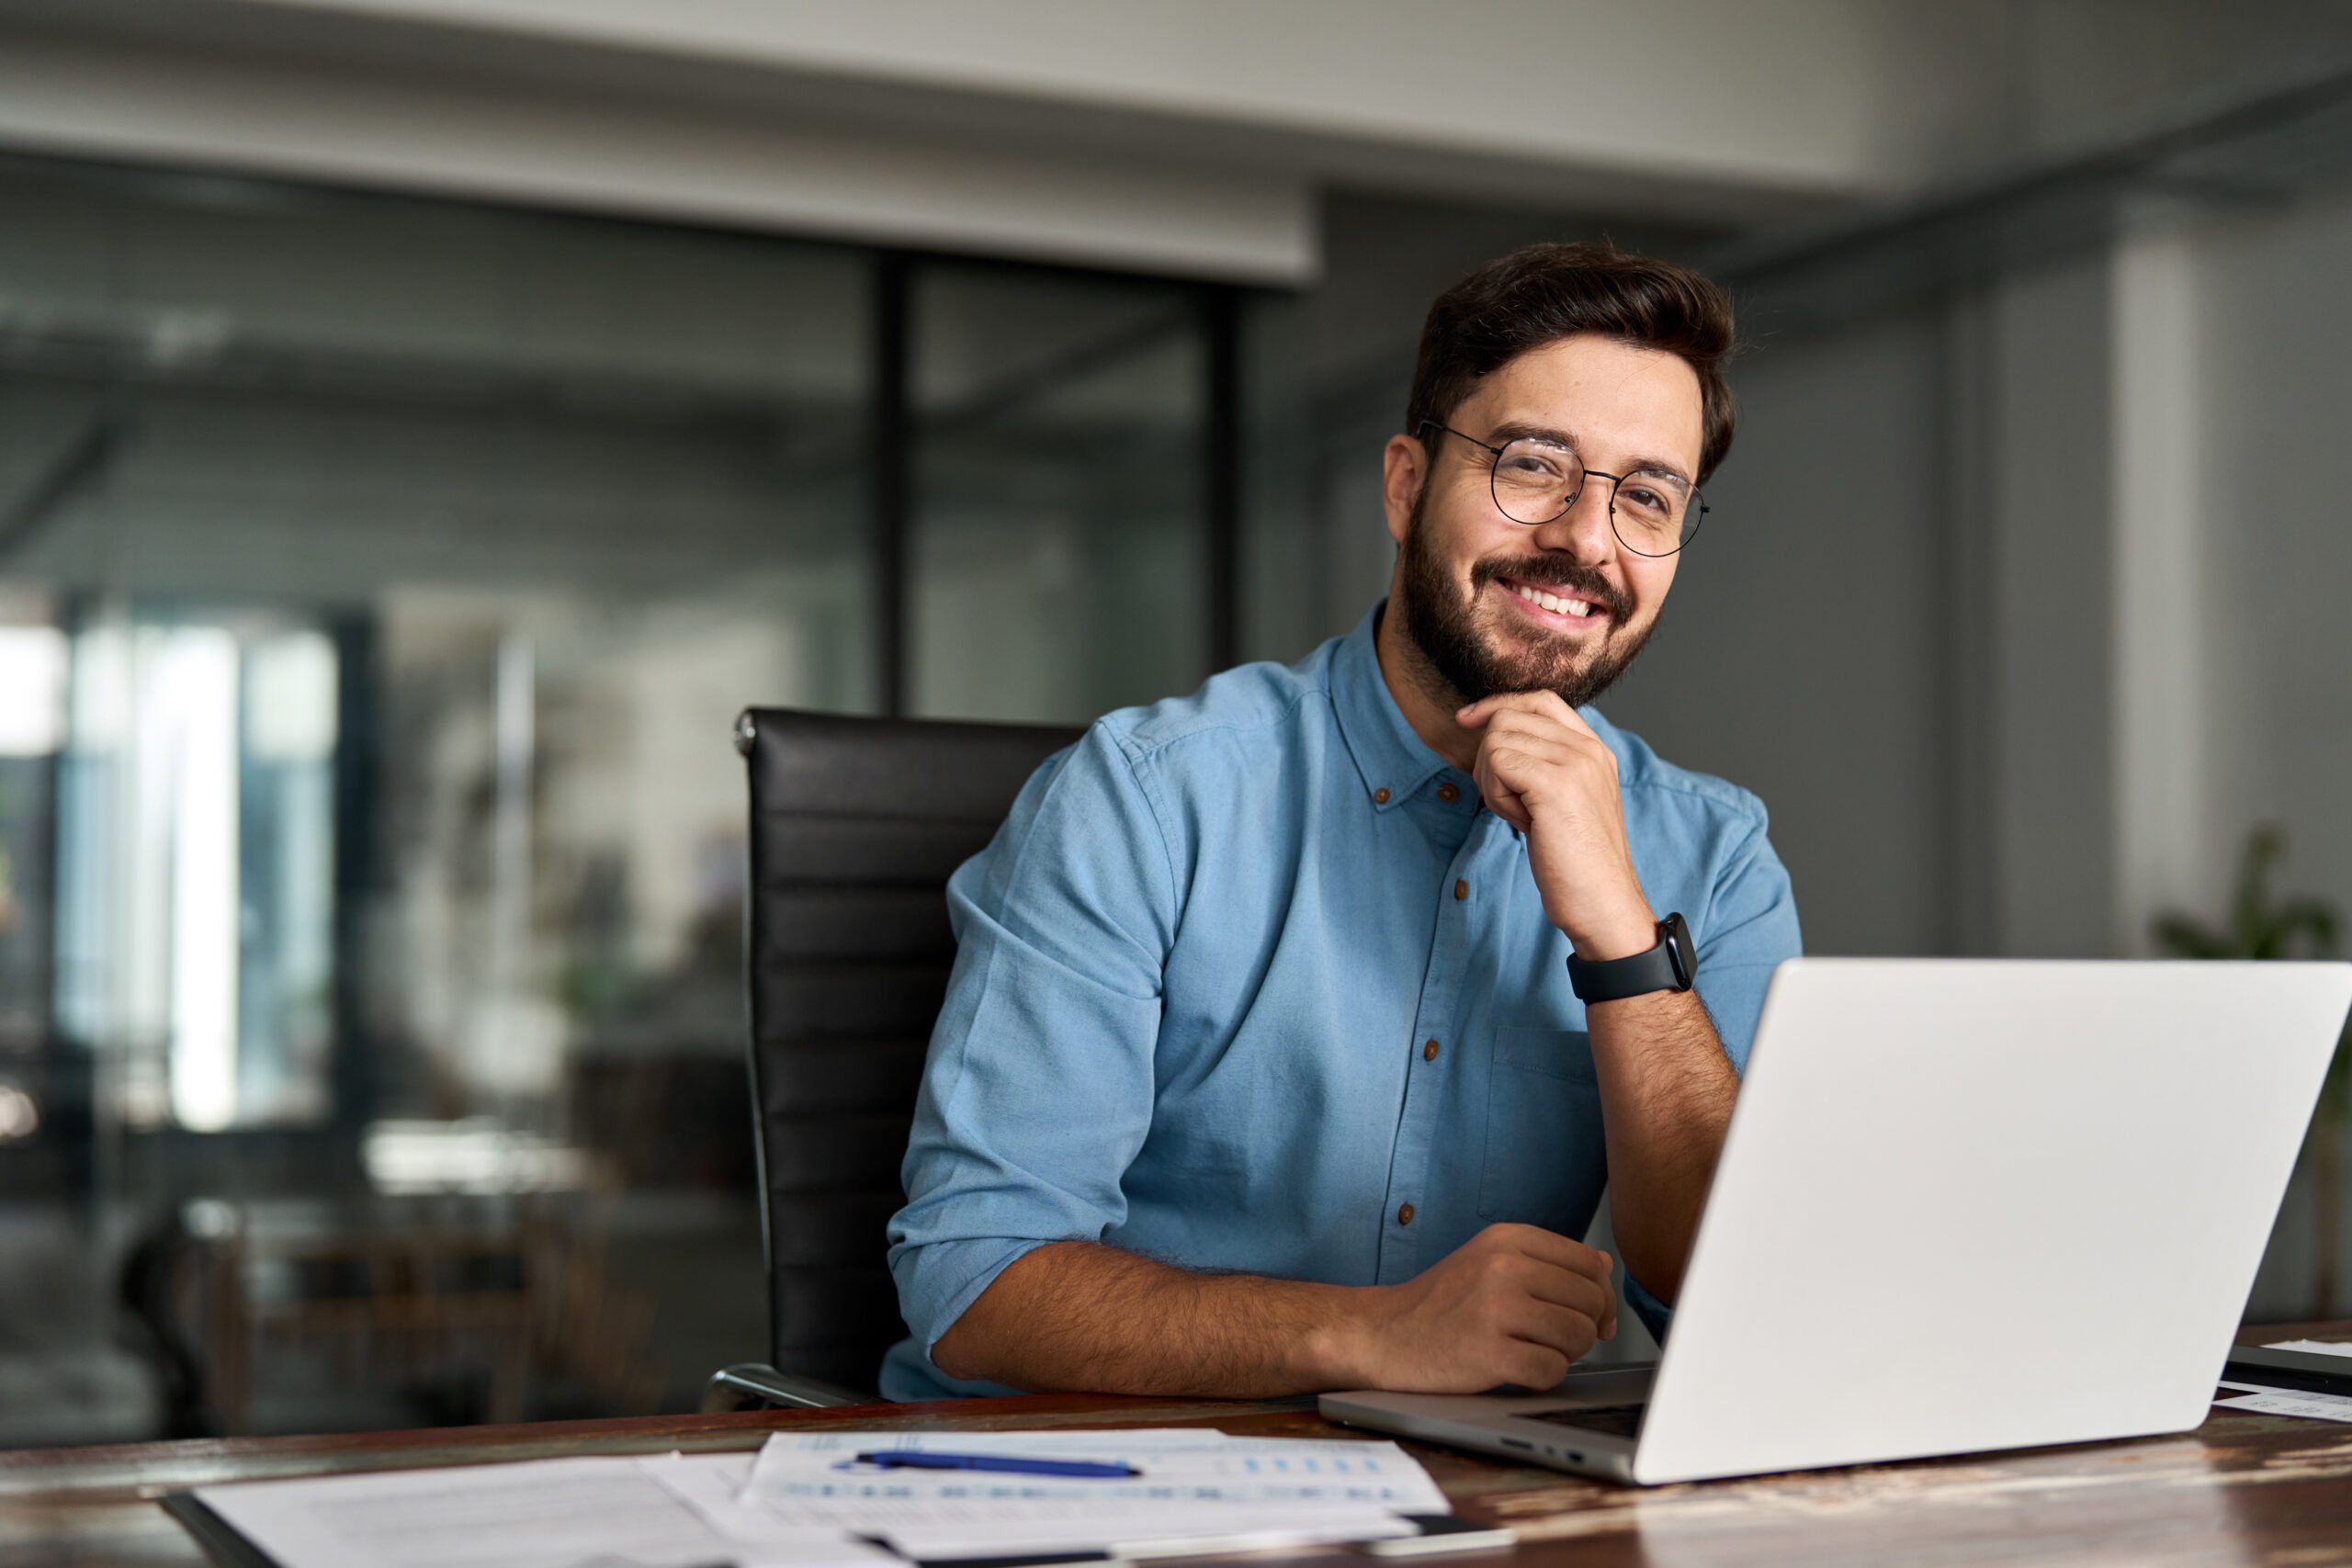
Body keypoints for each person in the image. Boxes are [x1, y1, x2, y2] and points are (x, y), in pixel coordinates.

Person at [881, 241, 1801, 1402]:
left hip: (1467, 1487)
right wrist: (1374, 1335)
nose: (1585, 538)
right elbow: (973, 1275)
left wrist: (1622, 940)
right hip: (1092, 1476)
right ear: (1406, 487)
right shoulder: (1145, 798)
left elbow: (1743, 1304)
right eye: (1533, 466)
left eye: (1647, 498)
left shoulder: (1713, 857)